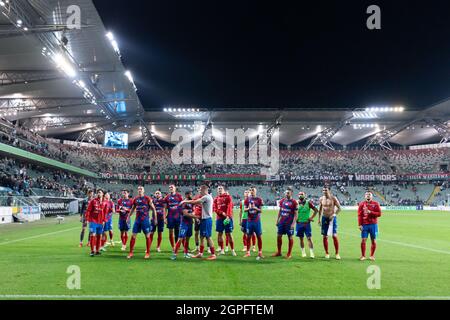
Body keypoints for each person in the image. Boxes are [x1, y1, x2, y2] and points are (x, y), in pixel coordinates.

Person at [180, 185, 217, 261]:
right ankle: (200, 253)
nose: (199, 191)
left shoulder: (206, 197)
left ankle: (213, 254)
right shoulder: (207, 198)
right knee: (202, 237)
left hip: (207, 219)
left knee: (208, 237)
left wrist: (184, 201)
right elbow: (199, 204)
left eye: (200, 190)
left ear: (204, 190)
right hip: (204, 219)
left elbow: (194, 202)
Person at [127, 186, 157, 260]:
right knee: (133, 235)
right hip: (137, 220)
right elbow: (132, 209)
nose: (139, 190)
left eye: (141, 189)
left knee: (147, 236)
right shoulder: (136, 199)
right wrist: (128, 217)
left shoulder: (147, 198)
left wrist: (155, 218)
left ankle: (148, 252)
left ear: (144, 191)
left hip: (145, 220)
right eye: (139, 189)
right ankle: (131, 252)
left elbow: (153, 209)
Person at [171, 190, 198, 260]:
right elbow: (185, 214)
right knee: (180, 238)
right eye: (190, 194)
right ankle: (174, 254)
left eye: (192, 194)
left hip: (190, 223)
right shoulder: (183, 203)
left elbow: (192, 212)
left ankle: (185, 253)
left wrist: (194, 218)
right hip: (184, 223)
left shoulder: (191, 203)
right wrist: (196, 217)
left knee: (187, 239)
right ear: (187, 195)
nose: (191, 195)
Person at [273, 188, 298, 259]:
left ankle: (289, 253)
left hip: (289, 223)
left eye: (288, 193)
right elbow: (280, 211)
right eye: (286, 193)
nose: (286, 194)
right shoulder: (282, 201)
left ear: (291, 193)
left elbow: (296, 214)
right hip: (282, 222)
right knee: (279, 236)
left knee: (290, 237)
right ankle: (279, 252)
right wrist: (277, 220)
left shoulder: (294, 202)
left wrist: (293, 224)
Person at [318, 186, 342, 260]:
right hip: (324, 218)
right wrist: (319, 219)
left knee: (334, 236)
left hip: (332, 219)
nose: (324, 191)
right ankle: (327, 253)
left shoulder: (333, 198)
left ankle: (337, 253)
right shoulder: (321, 199)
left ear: (329, 191)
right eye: (323, 190)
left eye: (326, 190)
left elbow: (339, 208)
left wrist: (333, 215)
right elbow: (320, 209)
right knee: (325, 236)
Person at [358, 191, 382, 261]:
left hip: (373, 225)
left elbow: (379, 214)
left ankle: (371, 255)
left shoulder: (376, 204)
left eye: (369, 194)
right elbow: (359, 215)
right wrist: (359, 224)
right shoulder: (361, 204)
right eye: (366, 194)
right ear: (364, 196)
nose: (368, 196)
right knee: (363, 240)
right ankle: (363, 256)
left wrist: (370, 212)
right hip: (364, 225)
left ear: (372, 196)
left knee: (373, 241)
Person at [214, 185, 236, 256]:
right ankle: (222, 250)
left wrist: (228, 216)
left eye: (221, 188)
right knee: (220, 234)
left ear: (223, 190)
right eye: (218, 189)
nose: (219, 190)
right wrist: (221, 213)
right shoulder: (216, 199)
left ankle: (232, 250)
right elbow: (215, 209)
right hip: (219, 219)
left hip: (227, 218)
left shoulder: (228, 197)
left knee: (229, 234)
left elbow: (230, 207)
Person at [296, 191, 318, 258]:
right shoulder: (296, 203)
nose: (300, 196)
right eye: (299, 194)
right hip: (299, 223)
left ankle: (311, 253)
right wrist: (295, 218)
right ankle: (303, 252)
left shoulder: (308, 203)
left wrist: (311, 217)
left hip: (306, 223)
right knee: (301, 238)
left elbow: (316, 210)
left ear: (305, 195)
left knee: (309, 238)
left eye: (302, 194)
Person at [243, 187, 264, 260]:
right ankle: (248, 252)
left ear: (256, 191)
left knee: (259, 237)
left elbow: (261, 211)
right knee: (248, 236)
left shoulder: (259, 199)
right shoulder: (247, 200)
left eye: (253, 190)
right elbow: (245, 209)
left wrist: (255, 208)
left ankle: (260, 252)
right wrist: (249, 208)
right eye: (251, 190)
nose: (252, 192)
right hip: (249, 221)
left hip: (257, 221)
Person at [85, 189, 107, 257]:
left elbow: (105, 212)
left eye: (100, 192)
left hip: (100, 222)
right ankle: (92, 251)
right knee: (93, 235)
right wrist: (87, 219)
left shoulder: (105, 202)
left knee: (99, 236)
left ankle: (97, 250)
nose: (98, 194)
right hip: (93, 221)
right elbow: (88, 210)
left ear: (103, 194)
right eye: (98, 193)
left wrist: (104, 221)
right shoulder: (93, 201)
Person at [164, 185, 183, 252]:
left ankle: (177, 246)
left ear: (175, 188)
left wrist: (182, 215)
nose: (171, 188)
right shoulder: (167, 197)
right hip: (170, 217)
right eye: (170, 187)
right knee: (171, 232)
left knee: (177, 231)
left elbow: (182, 206)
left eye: (172, 187)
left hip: (178, 217)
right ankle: (173, 246)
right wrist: (164, 218)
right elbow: (165, 208)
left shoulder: (179, 196)